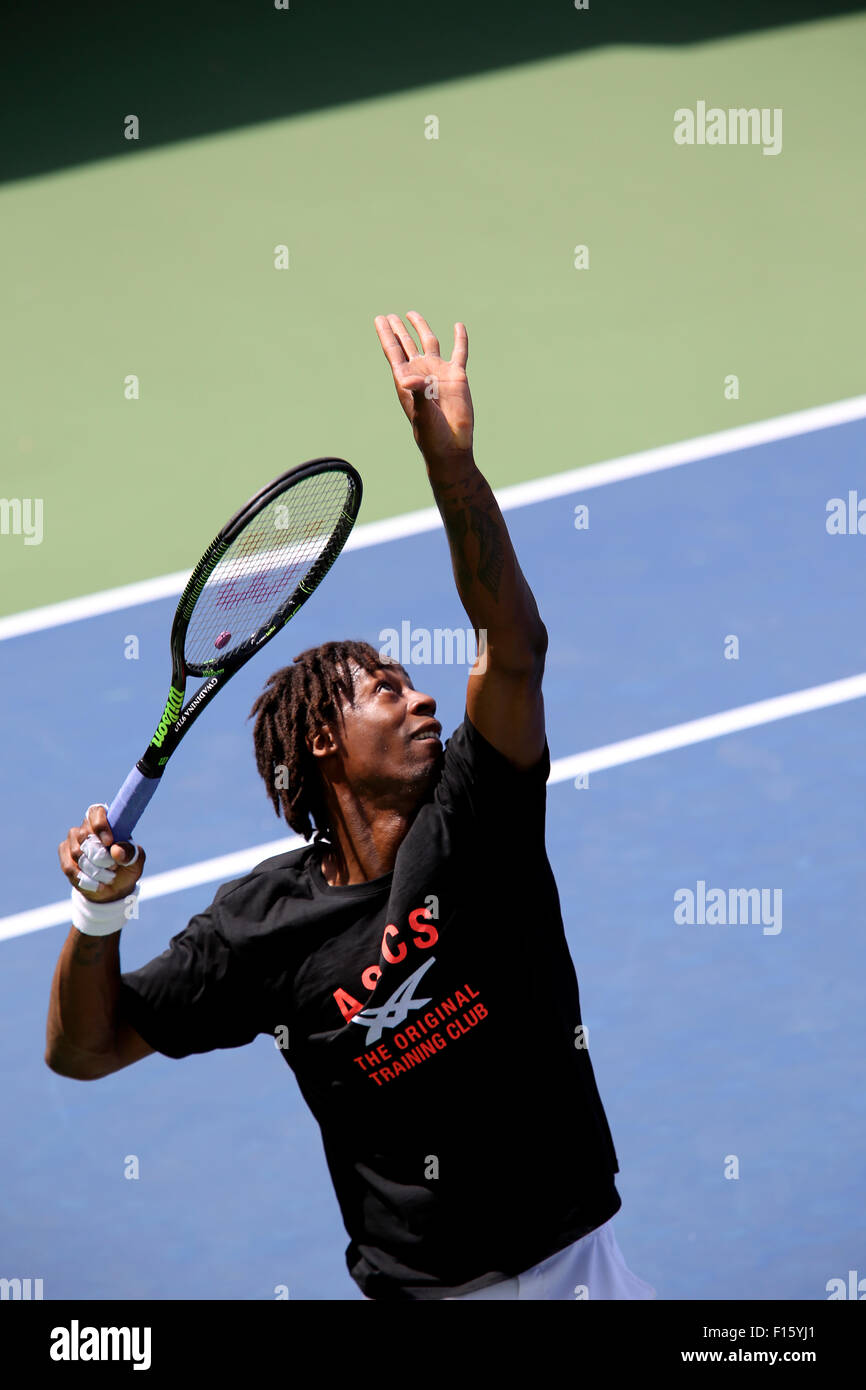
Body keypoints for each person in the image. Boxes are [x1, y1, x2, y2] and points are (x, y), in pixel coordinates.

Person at [48, 312, 655, 1302]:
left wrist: (447, 461)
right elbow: (83, 1046)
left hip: (581, 1265)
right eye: (386, 687)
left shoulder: (476, 817)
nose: (421, 698)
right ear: (323, 740)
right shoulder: (257, 927)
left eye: (414, 684)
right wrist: (96, 911)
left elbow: (512, 643)